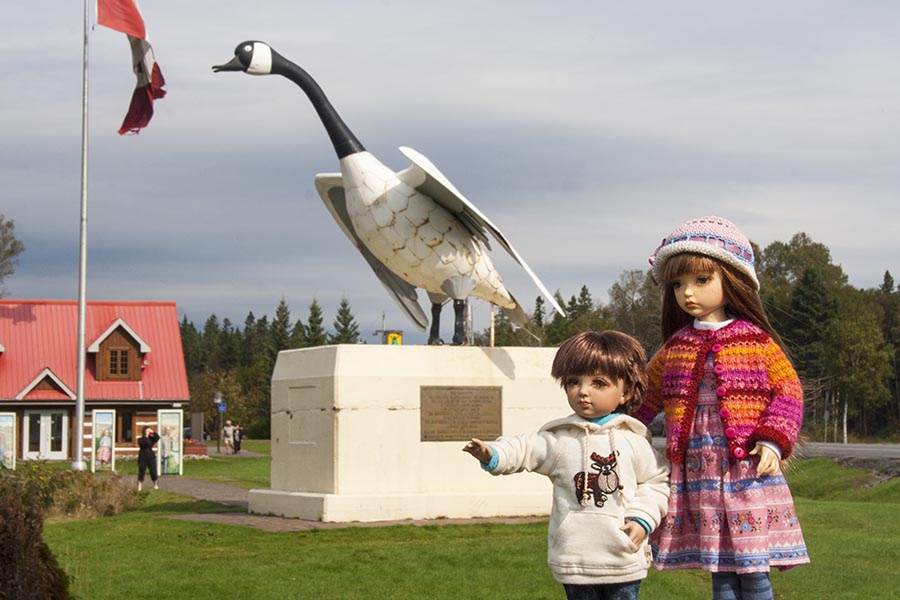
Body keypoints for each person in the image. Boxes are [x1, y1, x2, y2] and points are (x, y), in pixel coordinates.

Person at [633, 216, 809, 600]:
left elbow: (788, 390)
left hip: (745, 467)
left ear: (732, 280)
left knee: (753, 569)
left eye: (701, 280)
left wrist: (774, 441)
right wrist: (625, 430)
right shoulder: (675, 348)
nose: (687, 294)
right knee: (720, 569)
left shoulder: (757, 342)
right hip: (699, 472)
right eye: (677, 285)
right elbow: (647, 396)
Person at [464, 331, 669, 600]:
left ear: (626, 392)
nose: (583, 391)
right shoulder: (560, 440)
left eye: (599, 383)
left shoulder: (634, 441)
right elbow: (525, 448)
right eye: (574, 382)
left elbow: (657, 481)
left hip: (623, 558)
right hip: (575, 558)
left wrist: (643, 519)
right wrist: (493, 453)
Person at [137, 426, 160, 491]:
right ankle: (139, 485)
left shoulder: (151, 439)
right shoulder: (140, 439)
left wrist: (152, 432)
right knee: (141, 471)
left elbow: (157, 437)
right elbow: (145, 443)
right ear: (144, 432)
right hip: (142, 457)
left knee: (153, 471)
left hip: (151, 457)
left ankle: (155, 483)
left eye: (148, 431)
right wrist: (146, 436)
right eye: (147, 430)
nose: (148, 432)